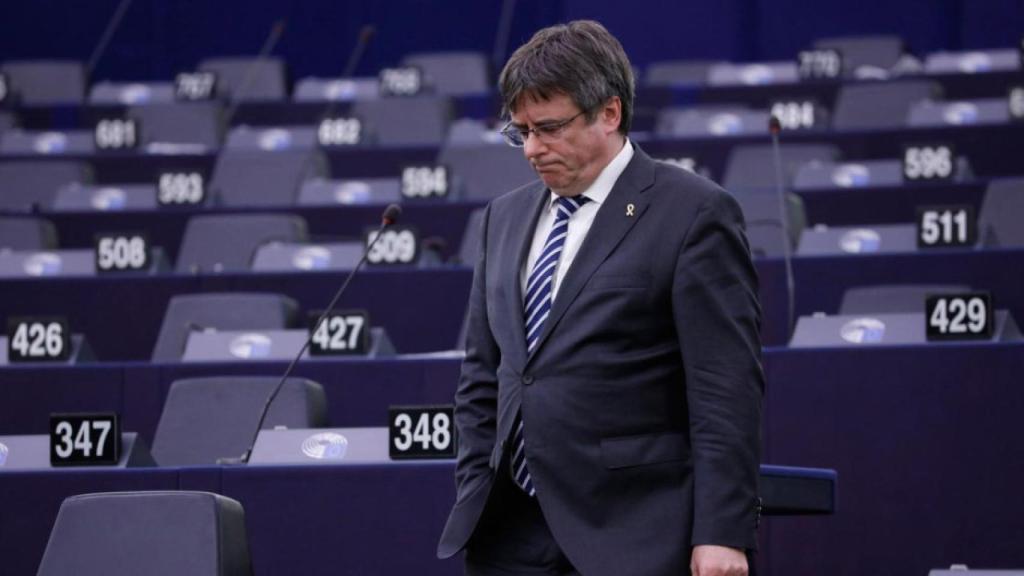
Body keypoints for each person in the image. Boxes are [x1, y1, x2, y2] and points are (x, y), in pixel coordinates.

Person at [438, 20, 764, 576]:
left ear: (608, 114)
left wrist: (721, 532)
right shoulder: (503, 217)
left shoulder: (693, 213)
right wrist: (476, 483)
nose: (533, 150)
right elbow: (482, 377)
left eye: (549, 128)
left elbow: (724, 389)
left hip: (636, 534)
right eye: (520, 132)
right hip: (508, 535)